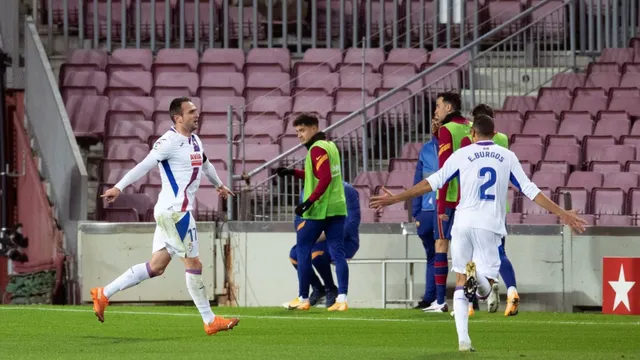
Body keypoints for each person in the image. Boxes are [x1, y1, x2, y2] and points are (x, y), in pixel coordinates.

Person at [369, 115, 587, 352]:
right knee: (486, 289)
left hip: (462, 224)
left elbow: (431, 183)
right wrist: (562, 213)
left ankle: (464, 341)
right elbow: (530, 190)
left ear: (472, 134)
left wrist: (396, 198)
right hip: (489, 225)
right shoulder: (507, 156)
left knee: (460, 283)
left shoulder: (462, 155)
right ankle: (479, 280)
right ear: (494, 135)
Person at [92, 97, 239, 335]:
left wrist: (219, 185)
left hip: (170, 212)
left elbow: (205, 163)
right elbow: (144, 165)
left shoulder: (194, 140)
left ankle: (103, 293)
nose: (196, 114)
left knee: (156, 266)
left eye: (196, 111)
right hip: (175, 213)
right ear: (178, 118)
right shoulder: (168, 142)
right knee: (194, 264)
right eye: (191, 112)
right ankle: (210, 320)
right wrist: (118, 187)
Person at [276, 113, 350, 311]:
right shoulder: (330, 146)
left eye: (302, 130)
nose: (299, 135)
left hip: (319, 211)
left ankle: (303, 298)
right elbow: (319, 175)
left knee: (302, 250)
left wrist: (308, 202)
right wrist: (293, 173)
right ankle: (341, 299)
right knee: (338, 252)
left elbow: (324, 179)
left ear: (314, 128)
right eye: (297, 131)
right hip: (337, 208)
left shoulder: (316, 150)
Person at [462, 103, 520, 316]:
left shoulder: (469, 141)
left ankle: (469, 304)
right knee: (498, 252)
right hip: (497, 209)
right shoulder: (502, 140)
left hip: (473, 208)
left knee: (469, 256)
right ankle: (511, 290)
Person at [423, 92, 473, 313]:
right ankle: (470, 302)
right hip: (470, 197)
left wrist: (441, 204)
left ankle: (441, 302)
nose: (436, 111)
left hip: (450, 197)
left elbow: (444, 170)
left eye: (438, 106)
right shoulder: (470, 126)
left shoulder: (447, 130)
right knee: (469, 252)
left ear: (449, 108)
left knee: (441, 245)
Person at [287, 182, 361, 308]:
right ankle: (317, 287)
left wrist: (319, 235)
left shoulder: (347, 190)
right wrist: (305, 232)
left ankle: (330, 288)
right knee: (294, 255)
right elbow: (299, 219)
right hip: (318, 238)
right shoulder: (307, 190)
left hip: (345, 239)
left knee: (316, 255)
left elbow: (352, 223)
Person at [411, 118, 439, 310]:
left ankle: (469, 297)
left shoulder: (458, 148)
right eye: (433, 121)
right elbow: (417, 182)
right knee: (432, 255)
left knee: (464, 255)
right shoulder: (426, 149)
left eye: (438, 121)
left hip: (450, 208)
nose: (434, 124)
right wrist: (416, 212)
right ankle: (430, 297)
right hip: (428, 211)